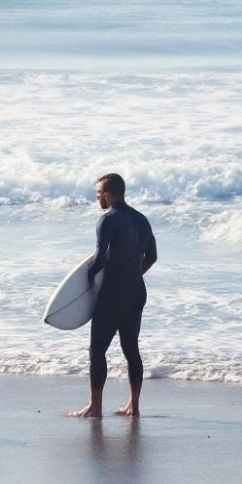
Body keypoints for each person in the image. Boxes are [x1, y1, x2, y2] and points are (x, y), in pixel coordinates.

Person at [70, 173, 157, 419]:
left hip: (113, 293)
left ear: (107, 193)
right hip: (137, 292)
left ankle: (95, 407)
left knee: (97, 350)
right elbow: (152, 256)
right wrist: (132, 274)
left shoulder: (107, 219)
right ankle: (134, 406)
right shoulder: (142, 219)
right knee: (131, 349)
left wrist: (88, 280)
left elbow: (100, 257)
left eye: (98, 193)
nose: (97, 197)